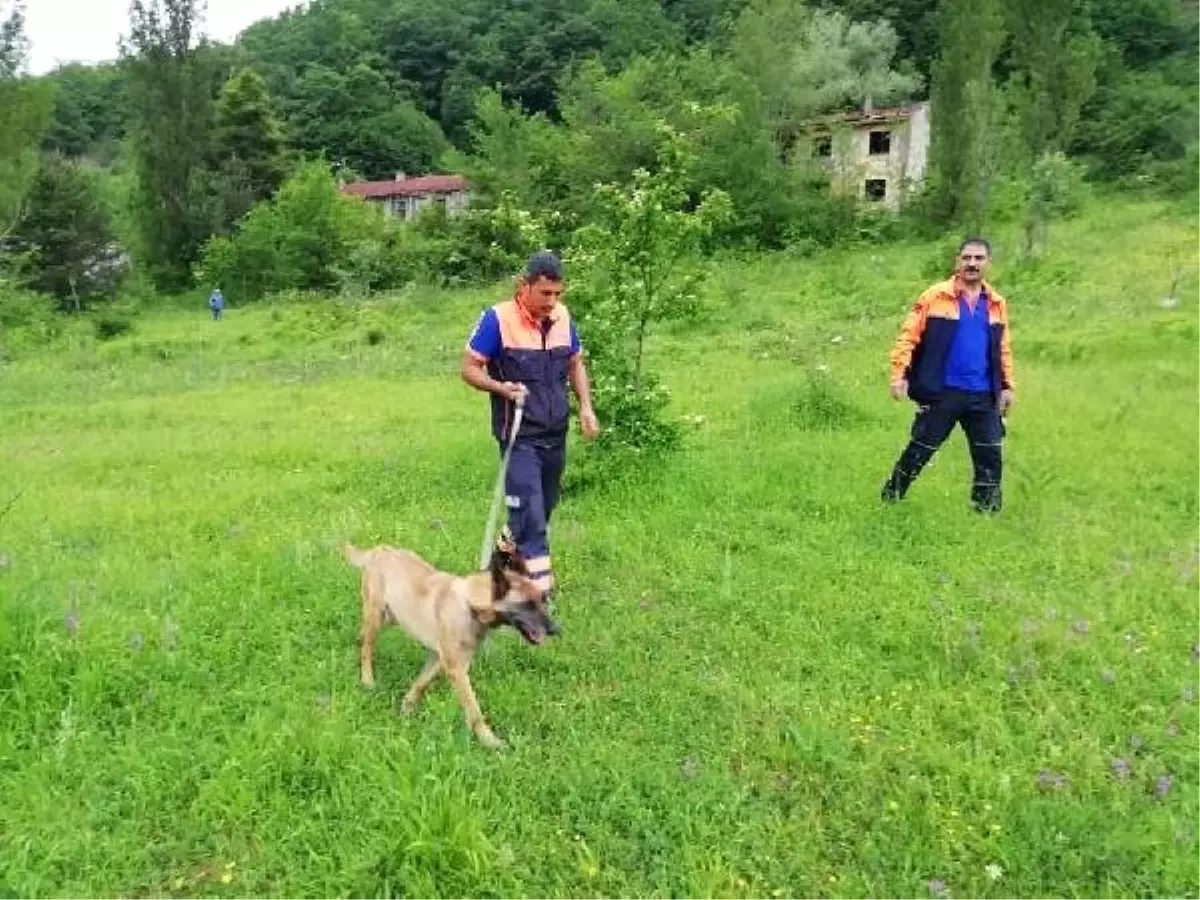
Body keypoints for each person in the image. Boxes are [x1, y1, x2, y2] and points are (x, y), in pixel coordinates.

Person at [460, 250, 600, 598]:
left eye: (558, 294)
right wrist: (499, 387)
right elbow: (469, 368)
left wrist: (585, 407)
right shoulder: (497, 319)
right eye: (545, 293)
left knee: (545, 505)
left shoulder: (563, 317)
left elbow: (575, 363)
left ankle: (504, 555)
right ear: (524, 286)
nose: (552, 302)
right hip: (518, 436)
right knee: (532, 517)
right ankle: (540, 597)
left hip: (556, 432)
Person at [880, 237, 1016, 513]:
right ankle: (890, 499)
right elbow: (908, 336)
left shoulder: (996, 303)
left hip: (983, 394)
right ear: (957, 262)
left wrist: (1006, 386)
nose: (972, 263)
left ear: (988, 263)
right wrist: (899, 375)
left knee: (989, 454)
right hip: (941, 391)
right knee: (920, 449)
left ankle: (986, 512)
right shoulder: (934, 296)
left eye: (978, 258)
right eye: (966, 258)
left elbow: (1003, 349)